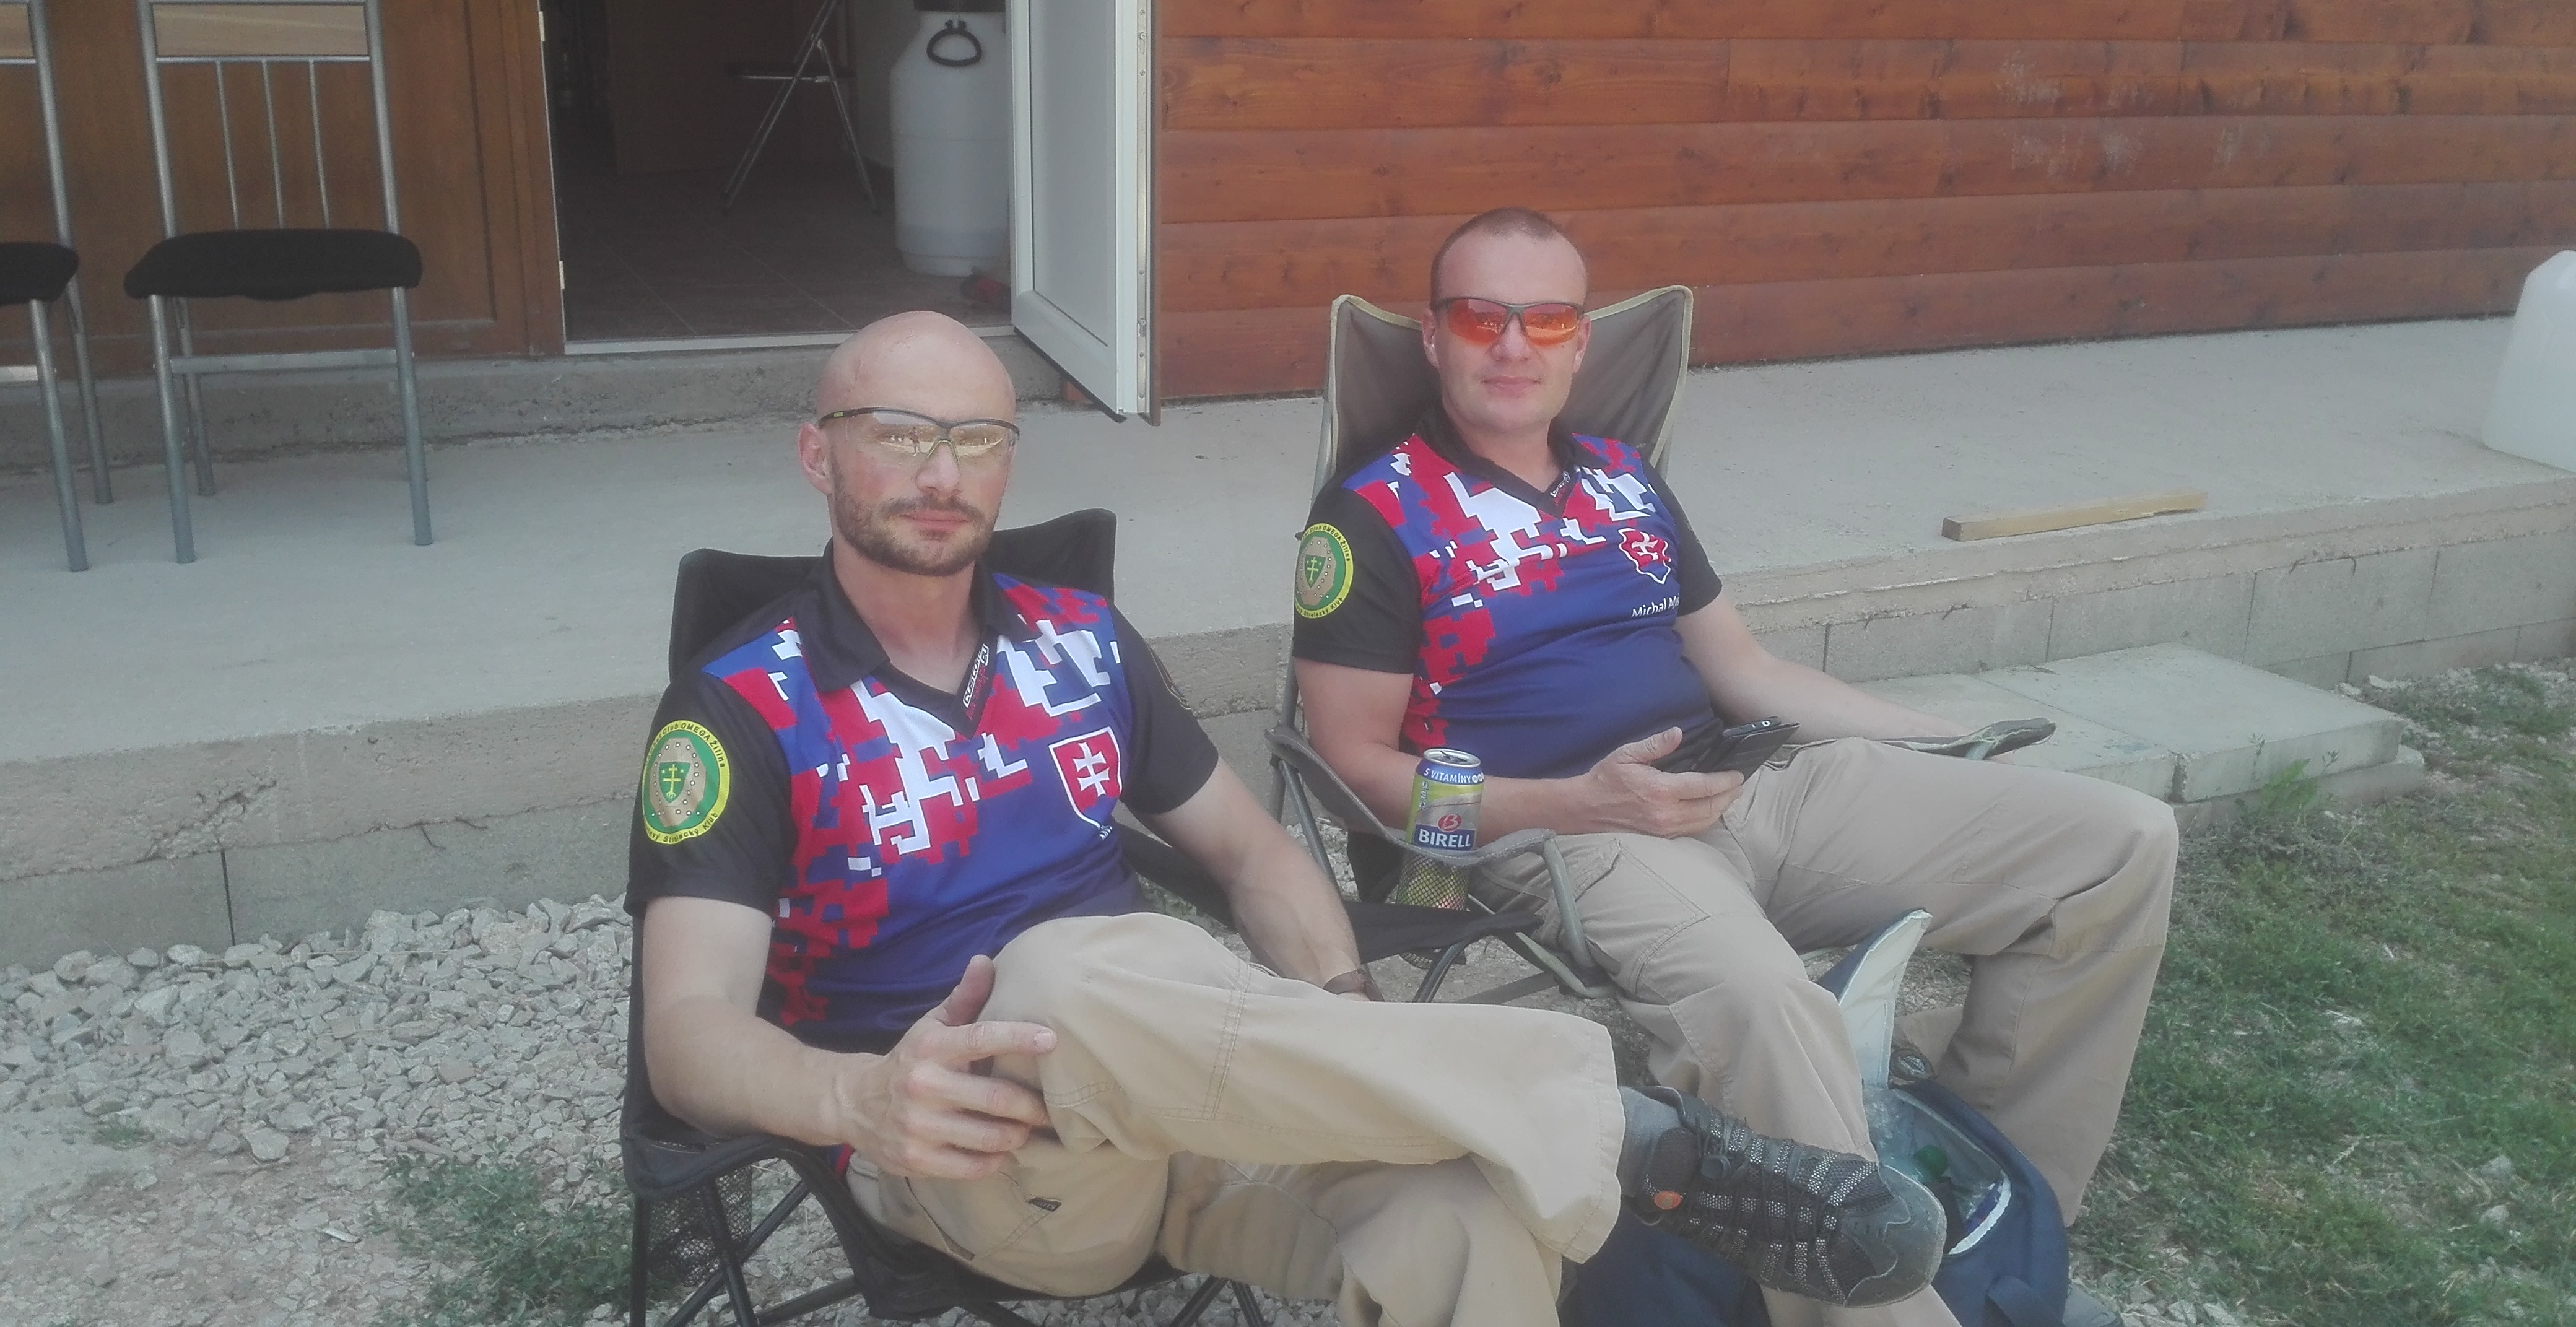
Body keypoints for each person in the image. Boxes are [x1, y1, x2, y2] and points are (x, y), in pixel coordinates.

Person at [625, 312, 1950, 1327]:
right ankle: (1616, 1121)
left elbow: (1253, 850)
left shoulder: (1081, 641)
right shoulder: (742, 710)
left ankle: (1595, 1134)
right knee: (1058, 975)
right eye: (897, 431)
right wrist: (857, 1094)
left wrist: (1343, 1018)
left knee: (1463, 1213)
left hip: (1192, 1101)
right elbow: (684, 1033)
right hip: (984, 1148)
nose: (939, 469)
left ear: (1008, 463)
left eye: (975, 437)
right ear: (819, 453)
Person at [1291, 211, 2180, 1327]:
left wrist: (1935, 734)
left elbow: (1745, 669)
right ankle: (1898, 1312)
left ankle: (1997, 1250)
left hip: (1751, 787)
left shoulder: (1627, 478)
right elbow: (1355, 769)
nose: (1513, 344)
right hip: (1568, 835)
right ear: (1433, 337)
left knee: (2116, 846)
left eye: (1547, 319)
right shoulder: (1370, 518)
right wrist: (1578, 800)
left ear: (1581, 343)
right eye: (1481, 317)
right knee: (1764, 1004)